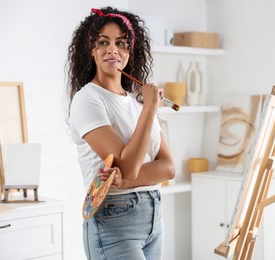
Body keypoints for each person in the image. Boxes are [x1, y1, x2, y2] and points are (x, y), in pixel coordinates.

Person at [66, 6, 175, 260]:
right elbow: (127, 167)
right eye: (103, 42)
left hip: (153, 215)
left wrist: (125, 180)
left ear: (130, 51)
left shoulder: (136, 102)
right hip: (114, 219)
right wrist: (150, 108)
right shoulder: (88, 99)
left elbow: (168, 167)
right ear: (91, 50)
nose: (112, 50)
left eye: (121, 43)